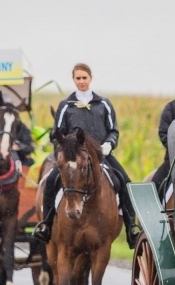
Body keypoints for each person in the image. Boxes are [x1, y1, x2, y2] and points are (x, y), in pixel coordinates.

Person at [33, 63, 139, 248]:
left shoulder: (103, 104)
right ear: (74, 80)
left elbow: (113, 130)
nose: (81, 81)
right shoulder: (66, 105)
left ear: (90, 78)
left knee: (125, 181)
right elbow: (56, 133)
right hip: (73, 157)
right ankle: (47, 225)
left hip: (100, 156)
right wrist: (65, 149)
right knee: (51, 181)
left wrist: (108, 144)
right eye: (78, 78)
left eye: (84, 78)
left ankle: (131, 228)